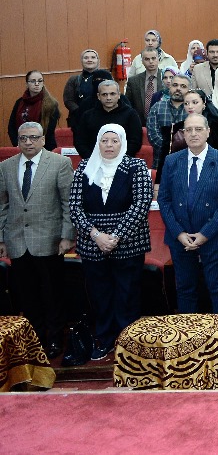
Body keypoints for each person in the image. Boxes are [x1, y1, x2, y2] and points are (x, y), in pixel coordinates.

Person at [69, 124, 152, 359]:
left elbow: (141, 204)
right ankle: (105, 339)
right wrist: (96, 235)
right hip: (92, 242)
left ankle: (128, 343)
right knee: (100, 295)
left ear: (122, 143)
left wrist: (115, 236)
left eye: (114, 141)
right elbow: (74, 207)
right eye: (104, 141)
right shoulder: (85, 167)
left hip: (128, 242)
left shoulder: (136, 166)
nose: (109, 145)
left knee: (127, 294)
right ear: (98, 143)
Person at [0, 122, 74, 356]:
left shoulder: (60, 163)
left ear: (43, 139)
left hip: (50, 240)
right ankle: (35, 339)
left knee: (52, 294)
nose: (28, 142)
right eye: (23, 138)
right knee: (27, 295)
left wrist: (67, 236)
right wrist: (1, 239)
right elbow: (2, 205)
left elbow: (68, 203)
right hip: (17, 240)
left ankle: (55, 339)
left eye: (33, 137)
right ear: (17, 141)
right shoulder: (5, 167)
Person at [157, 113, 218, 314]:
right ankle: (189, 333)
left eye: (198, 129)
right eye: (189, 130)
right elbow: (164, 200)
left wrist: (205, 234)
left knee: (217, 286)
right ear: (183, 133)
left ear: (208, 132)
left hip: (214, 235)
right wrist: (179, 233)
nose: (193, 134)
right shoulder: (171, 161)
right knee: (185, 288)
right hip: (180, 236)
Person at [8, 71, 62, 150]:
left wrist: (33, 144)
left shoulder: (51, 104)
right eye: (33, 81)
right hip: (22, 146)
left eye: (40, 81)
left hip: (45, 147)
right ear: (27, 84)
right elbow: (11, 127)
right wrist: (17, 144)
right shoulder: (19, 102)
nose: (37, 84)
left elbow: (49, 131)